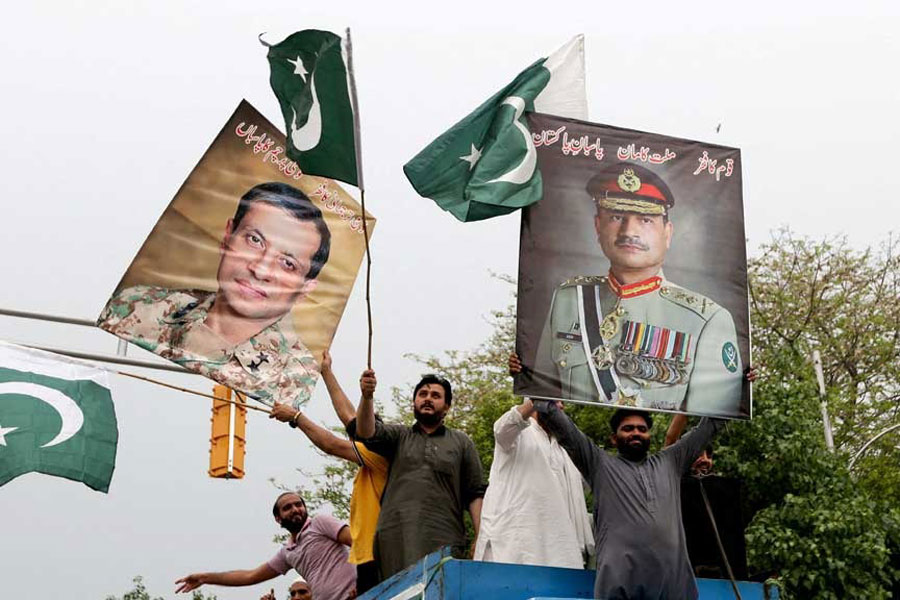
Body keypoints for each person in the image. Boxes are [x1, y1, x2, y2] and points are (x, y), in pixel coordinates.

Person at [530, 162, 743, 415]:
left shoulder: (707, 320)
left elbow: (707, 426)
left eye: (645, 220)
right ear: (598, 226)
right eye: (617, 217)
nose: (629, 231)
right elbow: (540, 397)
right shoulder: (568, 300)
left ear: (668, 233)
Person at [98, 182, 331, 407]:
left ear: (304, 289)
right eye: (254, 240)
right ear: (227, 236)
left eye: (287, 263)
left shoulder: (298, 381)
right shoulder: (136, 305)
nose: (260, 269)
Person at [538, 402, 723, 600]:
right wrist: (530, 378)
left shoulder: (670, 462)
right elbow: (564, 429)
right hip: (620, 588)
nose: (636, 433)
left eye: (642, 429)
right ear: (614, 438)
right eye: (628, 429)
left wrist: (739, 385)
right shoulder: (599, 464)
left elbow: (708, 427)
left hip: (673, 589)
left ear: (649, 436)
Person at [269, 350, 386, 595]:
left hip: (379, 553)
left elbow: (332, 444)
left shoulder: (378, 456)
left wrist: (297, 417)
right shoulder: (369, 461)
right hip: (368, 555)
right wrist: (326, 371)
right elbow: (348, 415)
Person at [349, 374, 485, 581]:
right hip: (395, 538)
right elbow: (366, 432)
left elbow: (475, 492)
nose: (428, 398)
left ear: (447, 406)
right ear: (414, 402)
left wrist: (481, 536)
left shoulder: (462, 442)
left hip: (443, 537)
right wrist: (367, 397)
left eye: (435, 395)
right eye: (422, 394)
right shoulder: (399, 436)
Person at [473, 395, 593, 568]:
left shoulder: (566, 450)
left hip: (561, 549)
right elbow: (502, 428)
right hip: (516, 548)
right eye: (554, 401)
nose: (560, 406)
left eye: (562, 402)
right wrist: (537, 398)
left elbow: (591, 480)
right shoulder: (517, 433)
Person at [174, 492, 356, 600]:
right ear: (278, 518)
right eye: (287, 508)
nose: (295, 509)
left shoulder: (320, 523)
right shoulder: (288, 552)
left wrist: (368, 582)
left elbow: (359, 543)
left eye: (298, 504)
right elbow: (250, 576)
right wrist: (205, 578)